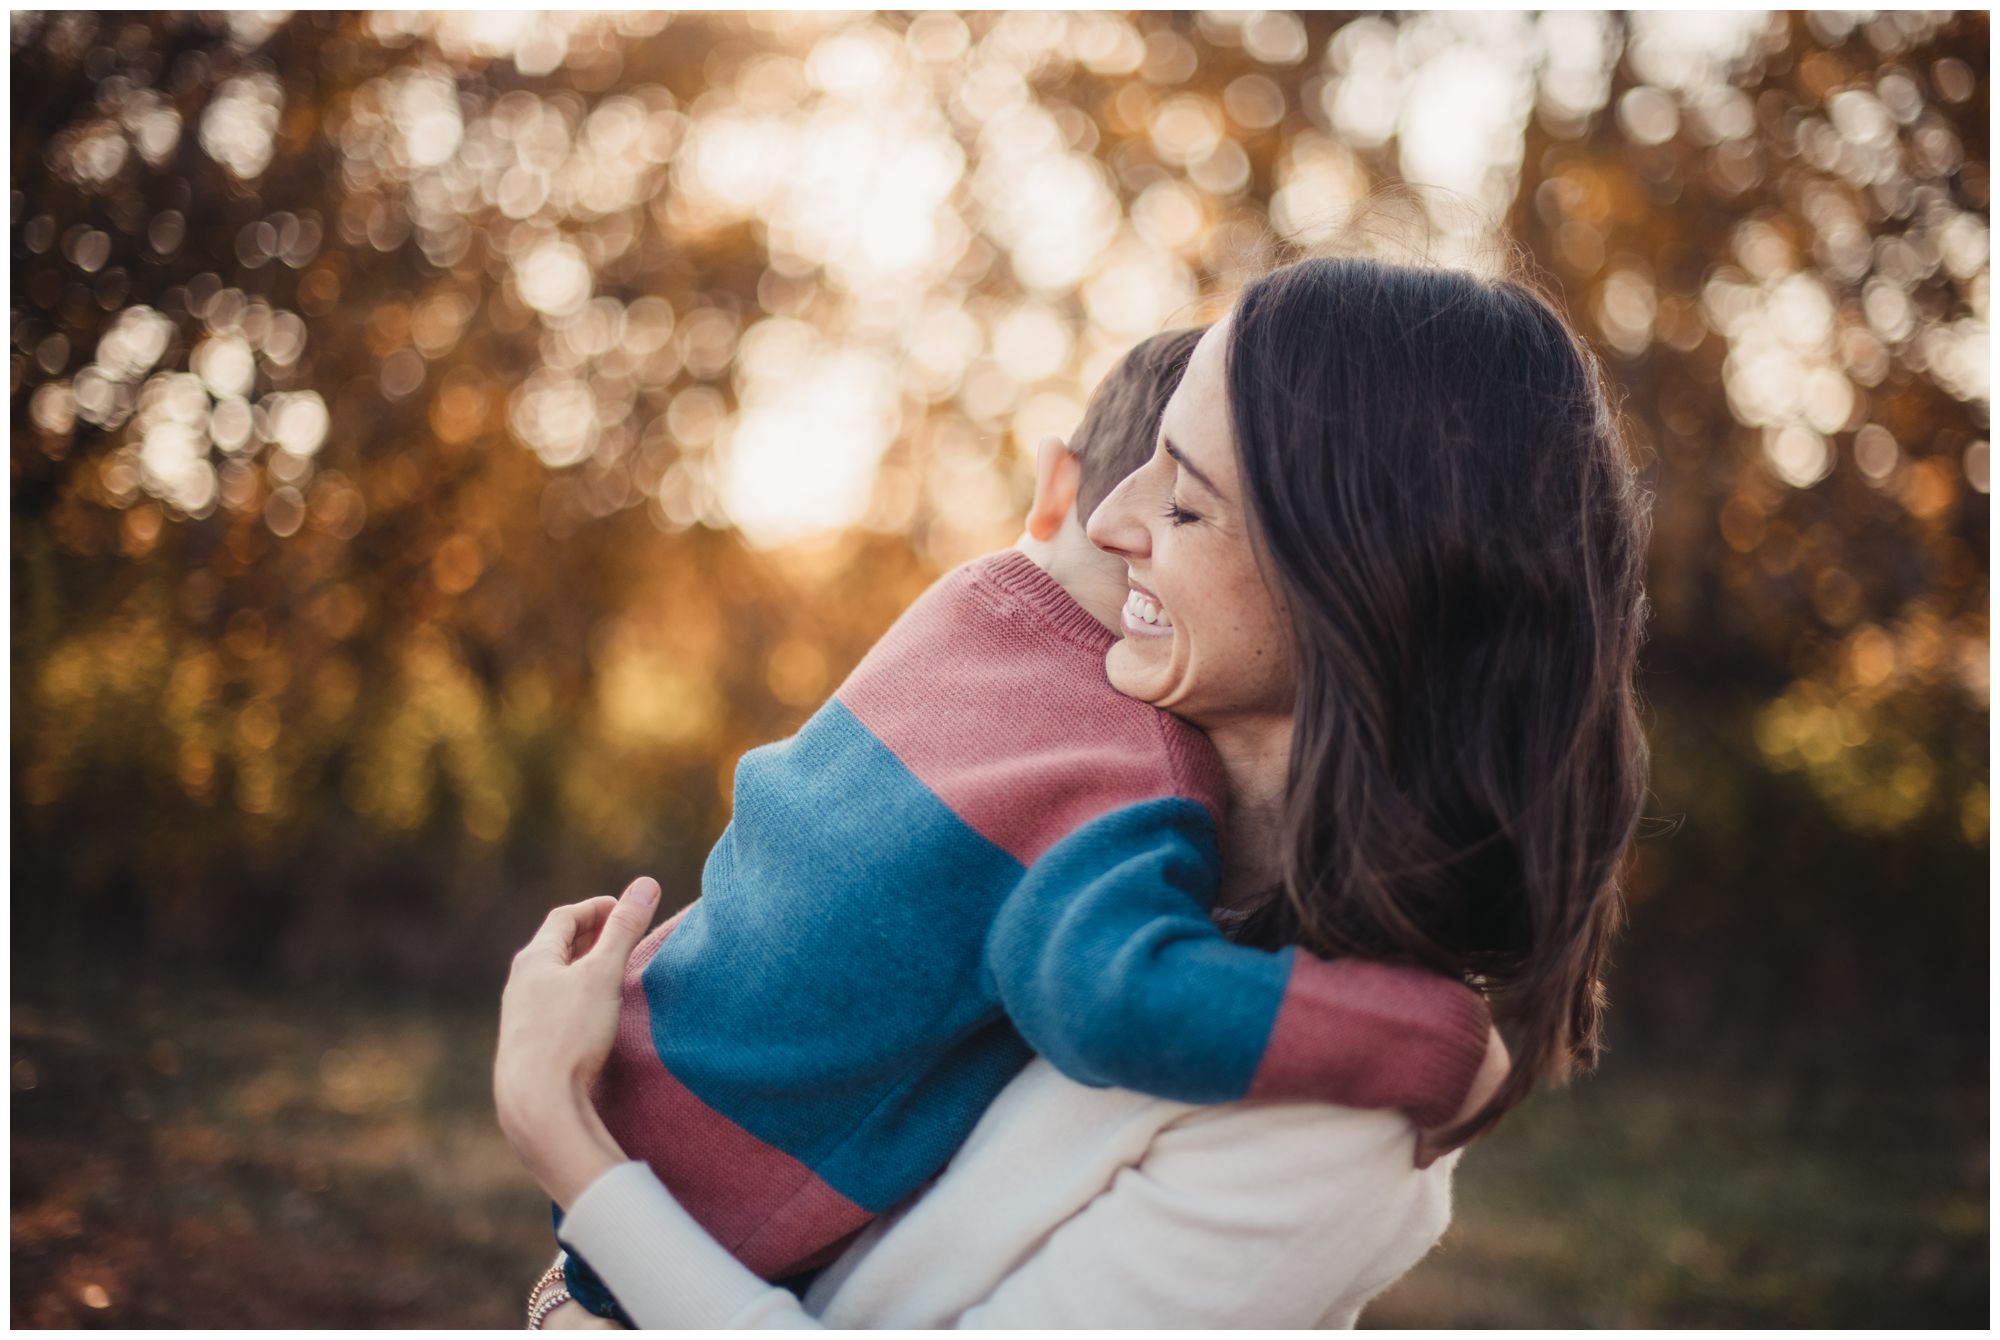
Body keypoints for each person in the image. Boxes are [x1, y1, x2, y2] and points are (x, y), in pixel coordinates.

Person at [494, 253, 1653, 1328]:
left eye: (1185, 499)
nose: (1104, 518)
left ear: (1360, 584)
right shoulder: (1099, 805)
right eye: (1140, 456)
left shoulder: (1328, 1110)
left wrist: (575, 1163)